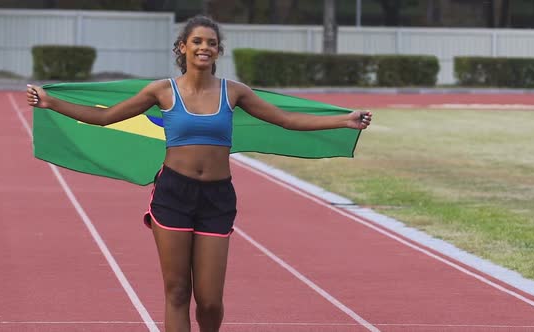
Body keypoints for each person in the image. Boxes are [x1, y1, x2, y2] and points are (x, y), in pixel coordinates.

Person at [27, 15, 372, 332]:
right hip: (174, 193)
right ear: (183, 47)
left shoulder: (234, 92)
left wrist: (343, 120)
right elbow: (105, 117)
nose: (204, 47)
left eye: (211, 43)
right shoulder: (162, 91)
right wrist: (51, 102)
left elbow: (286, 120)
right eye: (197, 42)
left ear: (219, 50)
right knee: (177, 291)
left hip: (217, 197)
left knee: (209, 301)